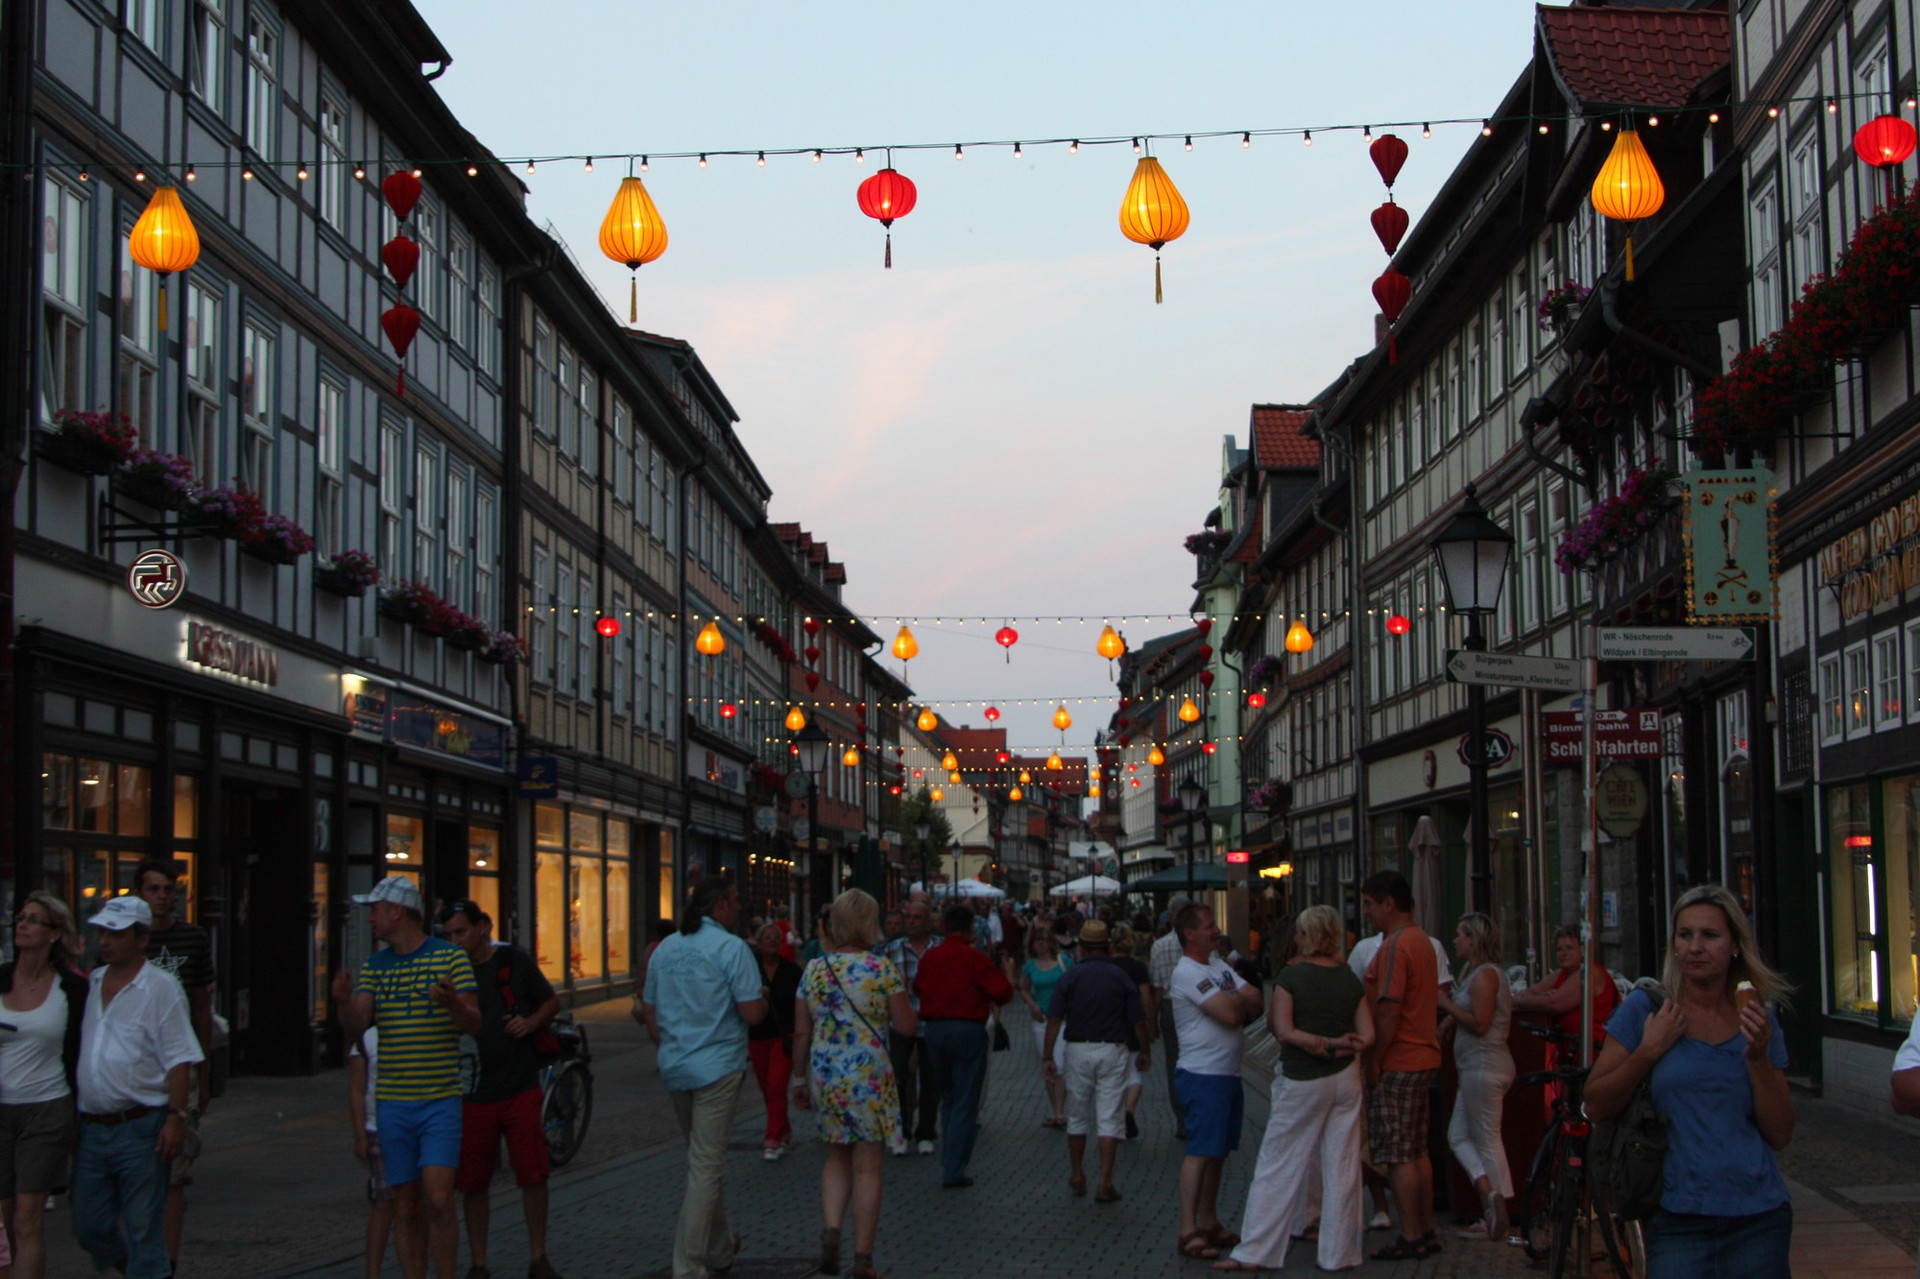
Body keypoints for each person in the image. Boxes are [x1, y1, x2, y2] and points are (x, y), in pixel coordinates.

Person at [1586, 884, 1795, 1279]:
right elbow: (1594, 1103)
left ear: (1735, 945)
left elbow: (1781, 1132)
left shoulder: (1756, 1020)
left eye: (1710, 935)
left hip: (1759, 1218)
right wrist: (1648, 1051)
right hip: (1677, 1219)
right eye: (1685, 935)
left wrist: (1758, 1057)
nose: (1695, 946)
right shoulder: (1646, 1010)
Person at [333, 876, 481, 1279]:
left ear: (396, 912)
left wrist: (452, 1003)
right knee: (404, 1205)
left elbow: (474, 1023)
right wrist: (343, 1002)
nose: (370, 920)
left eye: (374, 911)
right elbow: (356, 1026)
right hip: (393, 1101)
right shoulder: (375, 966)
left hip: (439, 1098)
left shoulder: (449, 958)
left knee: (438, 1198)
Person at [1216, 905, 1373, 1274]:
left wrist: (1321, 1043)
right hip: (1346, 1079)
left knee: (1278, 1163)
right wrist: (1341, 1045)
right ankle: (1341, 1252)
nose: (1296, 938)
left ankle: (1257, 1250)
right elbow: (1368, 1036)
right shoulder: (1350, 979)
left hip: (1303, 1078)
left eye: (1301, 933)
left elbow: (1282, 1030)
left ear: (1309, 936)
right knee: (1343, 1163)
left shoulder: (1291, 976)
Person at [640, 877, 768, 1279]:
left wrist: (670, 1045)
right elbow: (751, 1014)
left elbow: (650, 1012)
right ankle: (689, 1266)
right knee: (706, 1167)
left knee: (700, 1159)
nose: (739, 910)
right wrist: (762, 1000)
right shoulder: (732, 949)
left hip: (677, 1065)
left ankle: (721, 1246)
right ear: (720, 906)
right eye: (735, 902)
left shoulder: (667, 949)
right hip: (717, 1065)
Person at [71, 895, 204, 1279]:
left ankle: (148, 1271)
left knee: (145, 1224)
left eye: (115, 933)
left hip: (141, 1124)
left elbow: (179, 1058)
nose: (105, 941)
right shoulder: (95, 981)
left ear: (141, 939)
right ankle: (138, 1269)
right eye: (102, 932)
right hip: (94, 1126)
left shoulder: (160, 988)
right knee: (89, 1225)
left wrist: (176, 1118)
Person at [791, 890, 916, 1279]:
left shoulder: (813, 970)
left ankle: (832, 1228)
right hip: (870, 1077)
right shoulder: (881, 969)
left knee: (835, 1158)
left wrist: (798, 1078)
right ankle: (863, 1257)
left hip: (827, 1075)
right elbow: (906, 1026)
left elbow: (800, 1033)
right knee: (868, 1169)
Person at [439, 900, 563, 1279]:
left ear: (483, 928)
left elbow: (551, 1002)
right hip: (473, 1090)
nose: (456, 941)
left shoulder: (513, 962)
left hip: (518, 1083)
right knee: (474, 1182)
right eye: (449, 935)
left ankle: (538, 1256)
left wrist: (529, 1022)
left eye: (461, 931)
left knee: (533, 1173)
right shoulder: (447, 971)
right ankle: (479, 1263)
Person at [133, 860, 215, 1276]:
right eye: (155, 889)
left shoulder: (193, 937)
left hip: (179, 1061)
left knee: (175, 1170)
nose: (163, 896)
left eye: (169, 889)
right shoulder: (128, 941)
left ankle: (167, 1260)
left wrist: (205, 1065)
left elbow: (202, 1001)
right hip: (136, 1064)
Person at [1169, 901, 1263, 1261]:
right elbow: (1229, 1014)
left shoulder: (1218, 965)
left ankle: (1208, 1220)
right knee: (1200, 1151)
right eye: (1208, 926)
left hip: (1227, 1072)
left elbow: (1257, 999)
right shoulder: (1188, 972)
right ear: (1189, 933)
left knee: (1219, 1151)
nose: (1215, 930)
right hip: (1202, 1073)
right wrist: (1238, 1002)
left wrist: (1236, 1000)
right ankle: (1188, 1228)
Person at [1358, 870, 1443, 1262]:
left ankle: (1411, 1233)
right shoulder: (1423, 940)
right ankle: (1425, 1229)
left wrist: (1374, 1058)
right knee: (1417, 1149)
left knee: (1397, 1153)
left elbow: (1389, 1008)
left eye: (1370, 905)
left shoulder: (1395, 947)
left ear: (1389, 903)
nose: (1368, 913)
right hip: (1423, 1054)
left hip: (1400, 1058)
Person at [0, 891, 85, 1279]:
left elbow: (82, 1049)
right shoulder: (1, 978)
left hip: (47, 1107)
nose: (22, 924)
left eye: (33, 919)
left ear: (53, 934)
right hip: (2, 1108)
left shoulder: (71, 989)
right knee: (5, 1219)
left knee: (27, 1218)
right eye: (21, 918)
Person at [1041, 921, 1149, 1203]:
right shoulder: (1119, 976)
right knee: (1109, 1116)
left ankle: (1077, 1175)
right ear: (1108, 947)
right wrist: (1146, 1050)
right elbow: (1137, 1018)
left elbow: (1054, 1019)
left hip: (1077, 1049)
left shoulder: (1072, 977)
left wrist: (1048, 1056)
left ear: (1081, 948)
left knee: (1076, 1115)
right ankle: (1105, 1181)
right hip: (1113, 1049)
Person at [912, 903, 1013, 1189]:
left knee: (948, 1096)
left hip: (934, 1030)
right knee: (966, 1098)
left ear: (943, 926)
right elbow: (1002, 993)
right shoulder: (974, 958)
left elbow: (918, 987)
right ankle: (954, 1166)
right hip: (967, 1029)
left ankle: (950, 1157)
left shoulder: (931, 957)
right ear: (969, 929)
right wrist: (1008, 974)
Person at [1436, 912, 1513, 1242]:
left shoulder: (1485, 977)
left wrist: (1446, 1007)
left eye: (1460, 935)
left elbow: (1480, 1023)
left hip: (1485, 1065)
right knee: (1458, 1135)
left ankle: (1498, 1209)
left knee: (1486, 1137)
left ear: (1473, 939)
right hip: (1473, 1066)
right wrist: (1447, 1023)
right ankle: (1491, 1198)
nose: (1455, 941)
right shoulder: (1474, 973)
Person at [1513, 923, 1620, 1073]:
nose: (1563, 953)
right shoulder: (1561, 974)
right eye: (1559, 949)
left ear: (1583, 950)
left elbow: (1555, 1003)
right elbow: (1529, 993)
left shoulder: (1589, 973)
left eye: (1569, 948)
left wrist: (1521, 1001)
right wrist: (1540, 998)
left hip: (1595, 1055)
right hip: (1567, 1057)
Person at [882, 901, 941, 1156]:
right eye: (908, 917)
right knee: (898, 1078)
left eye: (917, 918)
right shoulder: (891, 950)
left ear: (928, 922)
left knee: (931, 1081)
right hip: (900, 1023)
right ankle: (902, 1131)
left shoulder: (939, 949)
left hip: (931, 1022)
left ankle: (926, 1132)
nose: (911, 922)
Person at [748, 923, 802, 1160]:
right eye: (767, 938)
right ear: (758, 944)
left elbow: (802, 1004)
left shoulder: (791, 971)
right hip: (758, 1034)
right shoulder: (750, 971)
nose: (772, 941)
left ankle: (771, 1139)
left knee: (776, 1085)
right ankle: (784, 1129)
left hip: (784, 1035)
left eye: (776, 938)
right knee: (766, 1087)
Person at [348, 1025, 395, 1279]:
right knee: (384, 1201)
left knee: (416, 1203)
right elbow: (357, 1089)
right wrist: (359, 1134)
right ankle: (373, 1272)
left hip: (408, 1123)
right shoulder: (367, 1039)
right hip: (378, 1127)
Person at [1149, 895, 1193, 1140]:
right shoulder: (1200, 943)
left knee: (1174, 1064)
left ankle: (1182, 1120)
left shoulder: (1159, 946)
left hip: (1170, 1007)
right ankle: (1197, 1113)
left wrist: (1152, 1021)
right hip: (1197, 1007)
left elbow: (1156, 988)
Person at [1019, 930, 1072, 1126]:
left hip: (1063, 1019)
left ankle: (1059, 1112)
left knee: (1059, 1062)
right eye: (1038, 940)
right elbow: (1023, 989)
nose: (1041, 944)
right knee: (1047, 1062)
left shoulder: (1064, 962)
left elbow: (1074, 986)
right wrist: (1033, 1006)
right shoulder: (1030, 966)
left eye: (1045, 940)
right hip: (1042, 1019)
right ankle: (1056, 1109)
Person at [1108, 923, 1154, 1140]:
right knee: (1135, 1073)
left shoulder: (1106, 966)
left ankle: (1116, 1117)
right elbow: (1146, 998)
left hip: (1110, 1025)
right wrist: (1150, 1024)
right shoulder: (1138, 968)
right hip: (1133, 1023)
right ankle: (1129, 1110)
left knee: (1115, 1076)